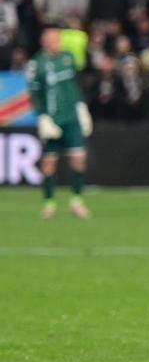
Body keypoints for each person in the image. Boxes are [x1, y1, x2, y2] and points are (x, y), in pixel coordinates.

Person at [28, 26, 93, 219]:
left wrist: (81, 106)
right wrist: (42, 116)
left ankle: (76, 201)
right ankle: (49, 203)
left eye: (58, 39)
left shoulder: (69, 58)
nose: (57, 42)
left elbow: (76, 84)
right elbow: (34, 93)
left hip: (71, 117)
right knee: (49, 163)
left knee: (79, 158)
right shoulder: (37, 64)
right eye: (53, 39)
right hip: (52, 119)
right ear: (44, 41)